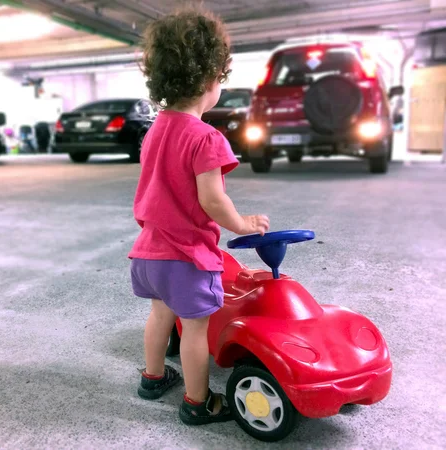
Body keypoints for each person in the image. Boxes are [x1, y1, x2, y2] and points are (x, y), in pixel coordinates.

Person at [128, 7, 270, 425]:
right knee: (194, 330)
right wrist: (242, 224)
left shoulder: (155, 130)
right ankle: (197, 402)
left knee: (159, 316)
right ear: (212, 81)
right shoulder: (206, 136)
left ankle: (153, 378)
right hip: (187, 257)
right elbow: (212, 200)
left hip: (148, 253)